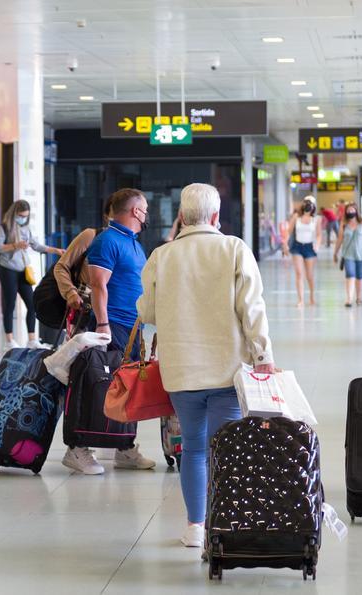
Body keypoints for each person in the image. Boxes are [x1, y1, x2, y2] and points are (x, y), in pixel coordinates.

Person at [136, 183, 275, 549]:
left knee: (193, 449)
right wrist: (263, 357)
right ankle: (223, 522)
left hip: (181, 371)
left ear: (181, 217)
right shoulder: (233, 249)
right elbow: (252, 309)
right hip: (227, 369)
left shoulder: (161, 256)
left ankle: (195, 526)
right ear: (216, 217)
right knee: (224, 449)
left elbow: (147, 312)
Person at [63, 188, 156, 474]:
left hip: (132, 328)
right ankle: (77, 449)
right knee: (97, 387)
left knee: (129, 389)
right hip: (111, 324)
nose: (146, 213)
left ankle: (124, 448)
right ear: (134, 211)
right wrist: (102, 325)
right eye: (144, 208)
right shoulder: (107, 241)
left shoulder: (133, 243)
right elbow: (98, 285)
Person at [0, 200, 64, 351]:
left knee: (32, 305)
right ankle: (9, 340)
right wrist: (15, 246)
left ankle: (32, 339)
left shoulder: (27, 228)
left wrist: (55, 250)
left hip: (23, 270)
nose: (23, 218)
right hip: (8, 270)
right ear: (14, 214)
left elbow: (36, 246)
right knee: (9, 305)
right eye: (20, 216)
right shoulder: (3, 227)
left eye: (25, 216)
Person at [334, 202, 362, 307]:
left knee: (359, 276)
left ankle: (359, 298)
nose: (350, 212)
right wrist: (335, 252)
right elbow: (339, 239)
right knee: (350, 274)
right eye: (348, 210)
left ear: (356, 211)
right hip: (348, 255)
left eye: (352, 210)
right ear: (346, 212)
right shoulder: (343, 224)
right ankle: (349, 299)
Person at [283, 197, 320, 307]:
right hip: (297, 247)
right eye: (306, 202)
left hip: (309, 248)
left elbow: (318, 235)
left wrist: (317, 245)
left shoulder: (316, 219)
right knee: (299, 274)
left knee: (309, 275)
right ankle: (301, 300)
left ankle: (312, 296)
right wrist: (284, 243)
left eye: (311, 203)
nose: (308, 204)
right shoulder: (296, 217)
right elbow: (288, 231)